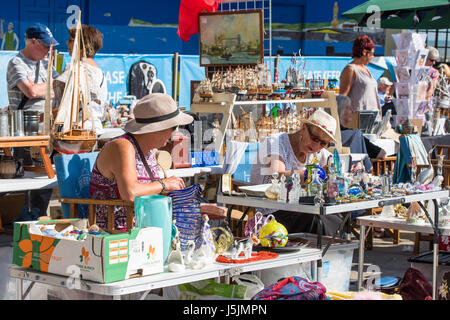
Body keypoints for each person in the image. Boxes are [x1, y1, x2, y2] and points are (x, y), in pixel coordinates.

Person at [89, 93, 193, 230]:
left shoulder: (148, 151)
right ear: (158, 129)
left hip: (143, 229)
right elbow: (130, 193)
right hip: (116, 234)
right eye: (173, 127)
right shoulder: (122, 146)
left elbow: (148, 191)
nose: (174, 133)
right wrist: (164, 184)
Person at [250, 109, 342, 236]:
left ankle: (332, 254)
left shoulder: (318, 152)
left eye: (323, 143)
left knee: (335, 218)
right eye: (315, 138)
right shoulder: (275, 142)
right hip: (272, 213)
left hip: (299, 210)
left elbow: (335, 164)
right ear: (304, 128)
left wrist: (353, 168)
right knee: (317, 219)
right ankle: (322, 254)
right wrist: (312, 174)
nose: (317, 146)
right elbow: (277, 174)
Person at [6, 23, 59, 218]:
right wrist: (48, 87)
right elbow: (30, 91)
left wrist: (44, 87)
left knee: (44, 177)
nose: (48, 50)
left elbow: (58, 88)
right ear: (33, 42)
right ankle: (23, 219)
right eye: (45, 45)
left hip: (46, 126)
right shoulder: (16, 63)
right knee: (25, 176)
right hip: (24, 127)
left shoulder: (47, 63)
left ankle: (39, 217)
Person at [53, 24, 107, 135]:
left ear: (81, 45)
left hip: (75, 132)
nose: (67, 43)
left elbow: (65, 109)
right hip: (94, 130)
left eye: (70, 40)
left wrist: (42, 117)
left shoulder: (76, 69)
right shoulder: (100, 72)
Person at [337, 94, 387, 173]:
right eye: (349, 108)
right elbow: (382, 154)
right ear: (341, 110)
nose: (352, 111)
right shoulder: (355, 135)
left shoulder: (328, 135)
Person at [339, 35, 382, 121]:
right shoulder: (350, 69)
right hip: (358, 122)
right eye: (372, 54)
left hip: (373, 120)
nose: (373, 57)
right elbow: (343, 97)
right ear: (364, 52)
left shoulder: (366, 69)